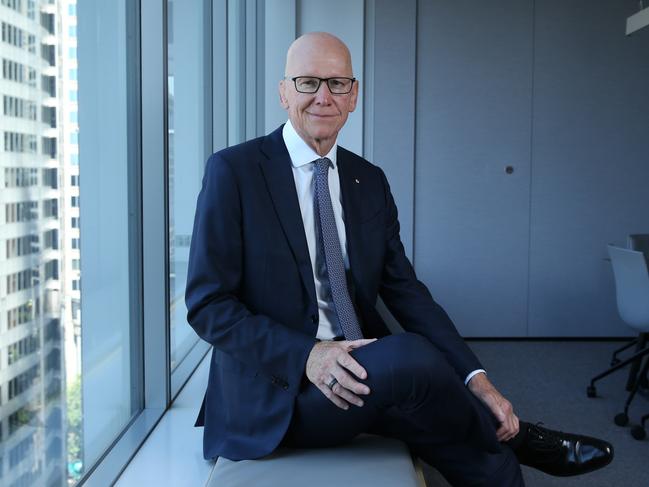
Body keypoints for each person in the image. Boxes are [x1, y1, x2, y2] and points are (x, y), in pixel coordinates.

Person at [185, 32, 613, 486]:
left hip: (362, 371)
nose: (323, 97)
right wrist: (307, 355)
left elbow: (406, 291)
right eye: (308, 82)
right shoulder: (233, 171)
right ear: (284, 91)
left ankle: (509, 452)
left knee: (453, 430)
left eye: (337, 84)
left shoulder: (367, 180)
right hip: (282, 393)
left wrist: (477, 377)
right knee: (413, 359)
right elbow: (208, 304)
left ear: (355, 96)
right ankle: (522, 439)